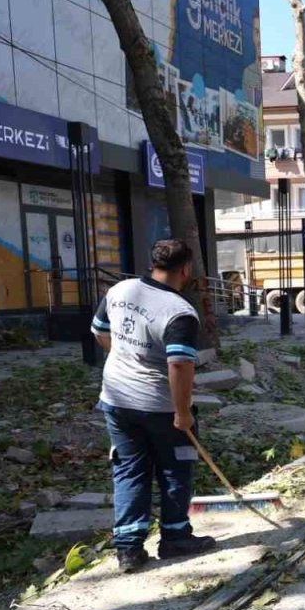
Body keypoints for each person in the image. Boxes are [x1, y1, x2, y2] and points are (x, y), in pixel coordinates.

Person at [92, 240, 216, 573]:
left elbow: (100, 332)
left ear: (155, 262)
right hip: (159, 405)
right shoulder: (179, 311)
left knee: (129, 468)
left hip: (116, 399)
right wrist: (182, 413)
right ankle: (175, 537)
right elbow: (179, 364)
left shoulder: (120, 290)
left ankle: (129, 548)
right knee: (176, 466)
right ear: (185, 269)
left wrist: (127, 358)